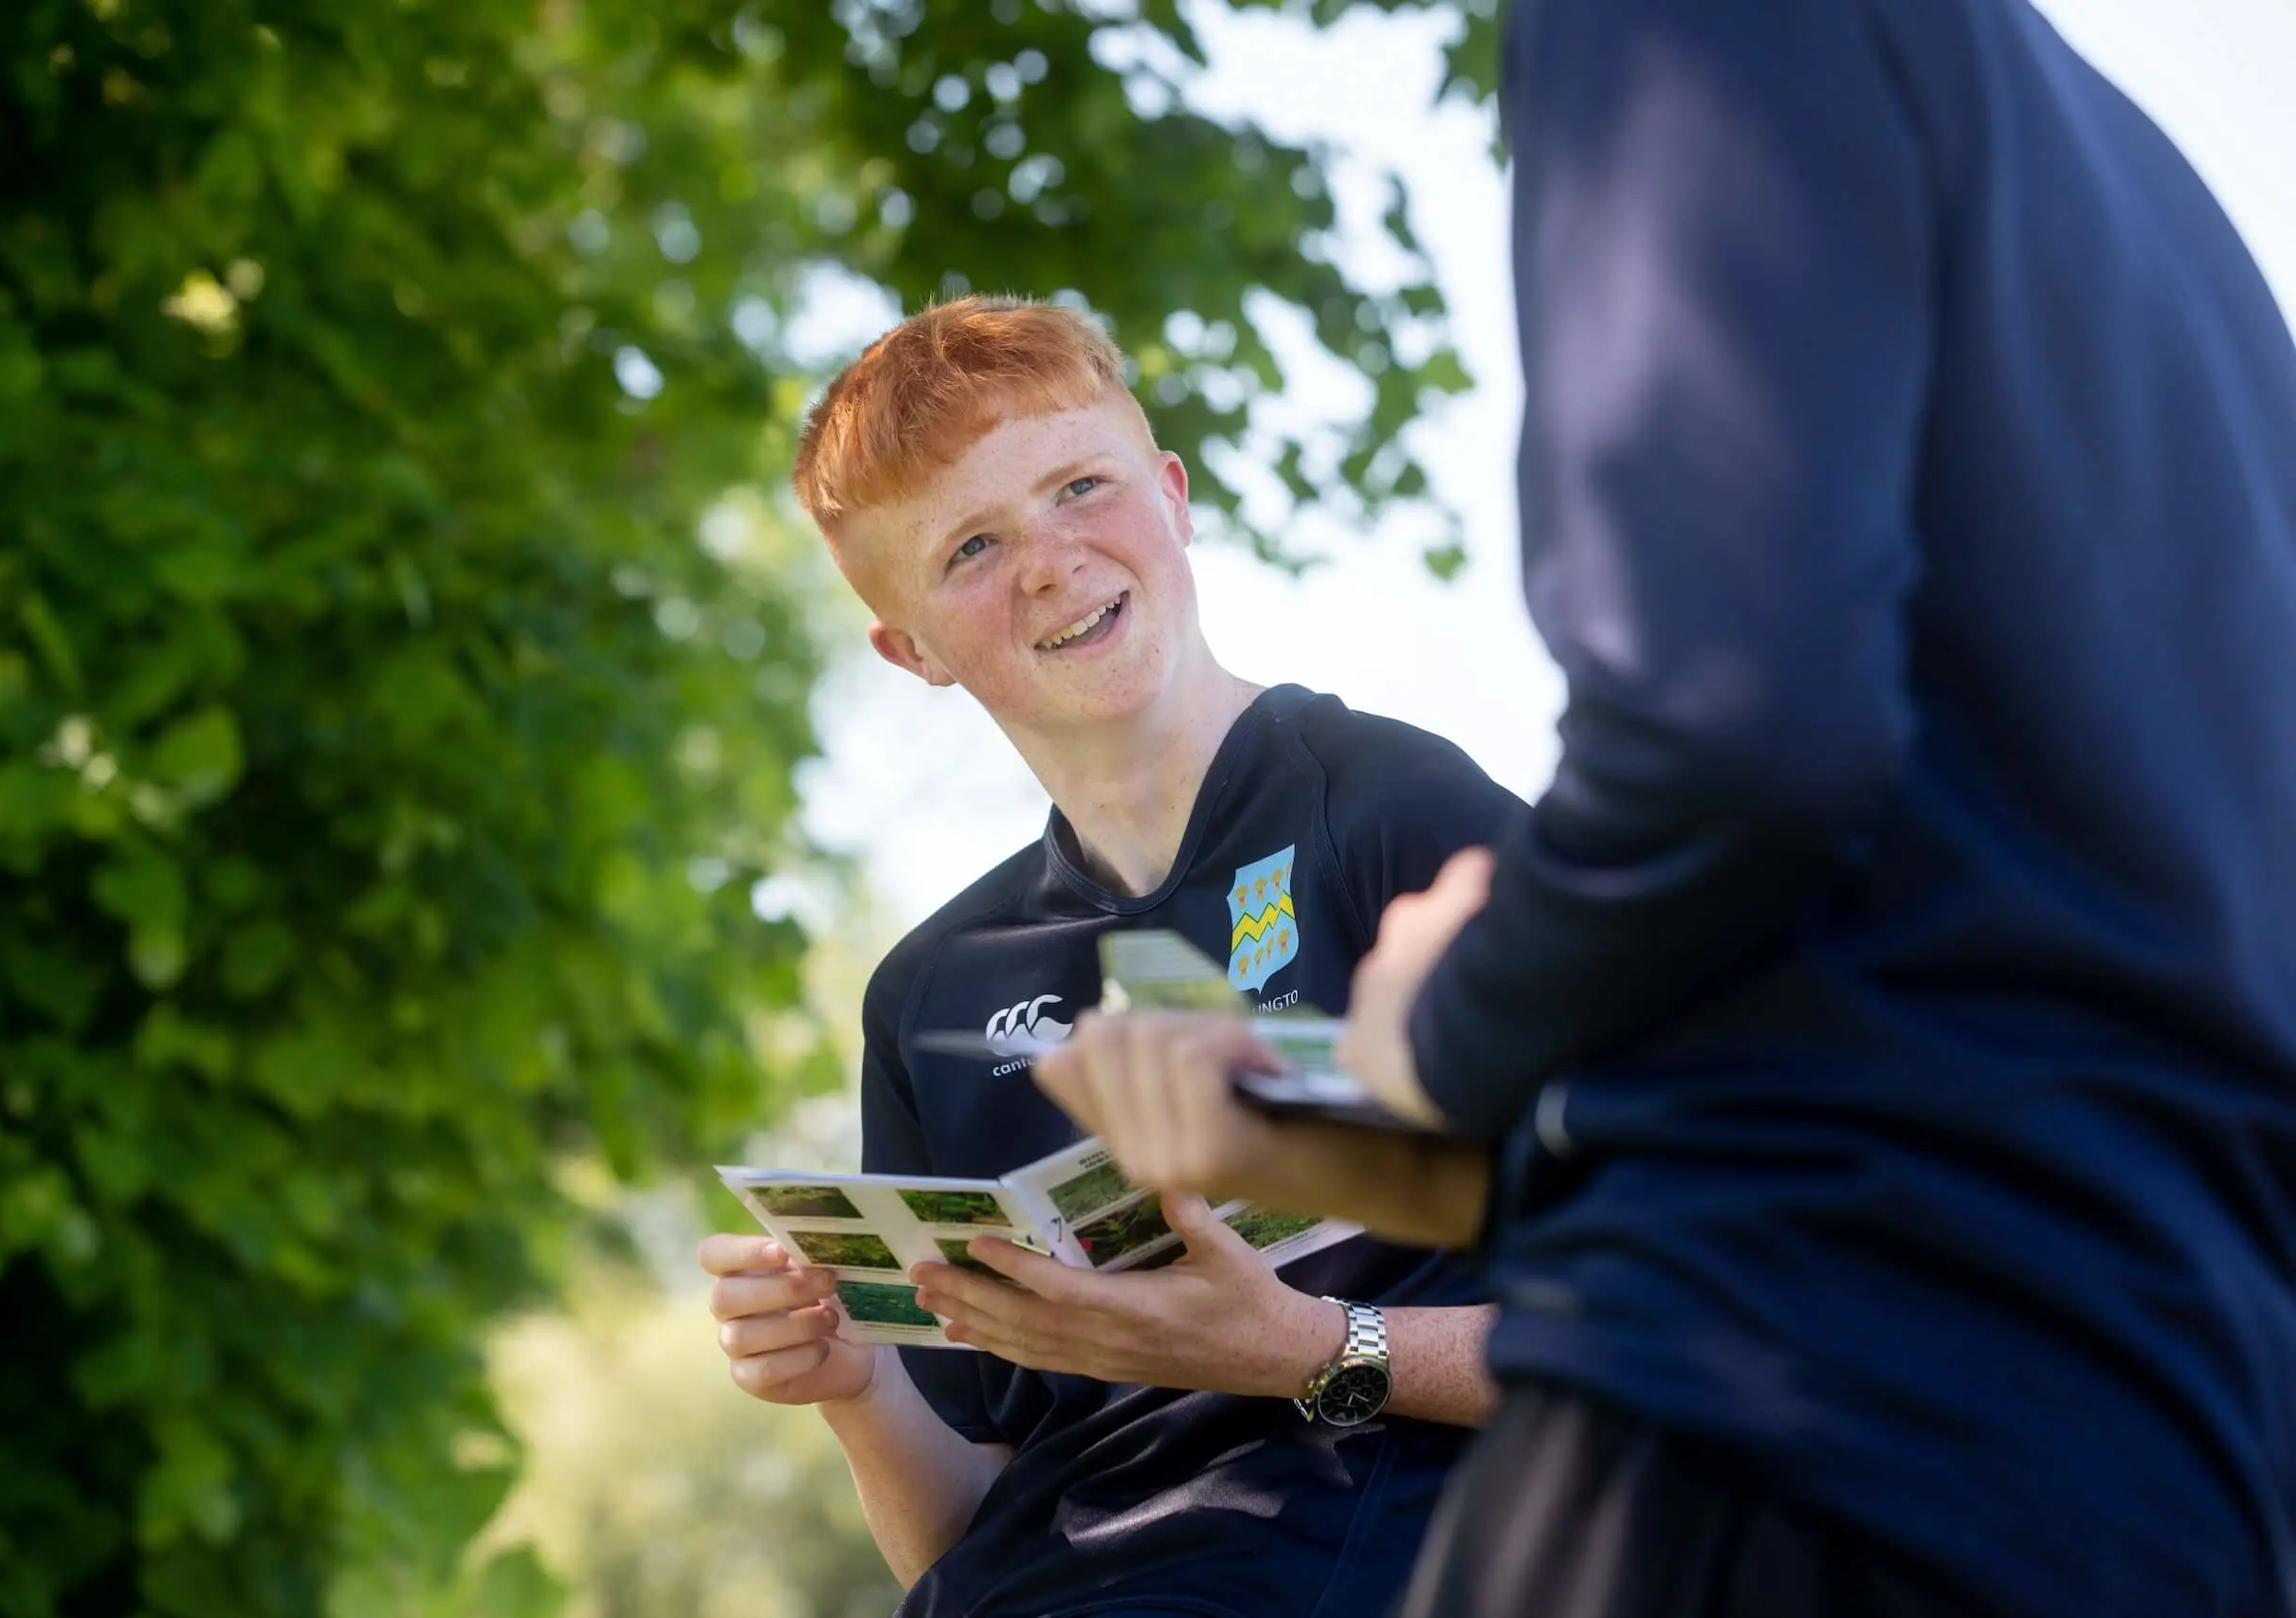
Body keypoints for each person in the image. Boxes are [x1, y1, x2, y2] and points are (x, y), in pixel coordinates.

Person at [1033, 2, 2296, 1616]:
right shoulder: (2153, 209)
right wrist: (1321, 1112)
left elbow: (1732, 740)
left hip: (1793, 1422)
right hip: (2164, 1456)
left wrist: (1439, 1029)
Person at [696, 296, 1527, 1618]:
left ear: (1174, 493)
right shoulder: (929, 996)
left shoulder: (1397, 816)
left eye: (1081, 486)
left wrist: (1311, 1349)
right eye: (972, 544)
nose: (1049, 560)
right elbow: (964, 1528)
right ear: (908, 648)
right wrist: (854, 1381)